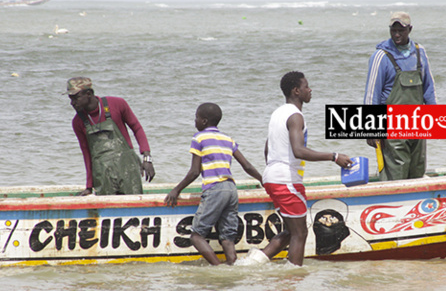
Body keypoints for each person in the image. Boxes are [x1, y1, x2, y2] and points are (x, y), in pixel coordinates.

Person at [237, 71, 353, 267]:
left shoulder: (277, 113)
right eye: (307, 86)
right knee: (300, 233)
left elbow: (268, 148)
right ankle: (293, 277)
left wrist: (274, 172)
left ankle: (252, 264)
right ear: (296, 91)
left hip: (272, 178)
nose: (310, 90)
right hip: (286, 181)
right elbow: (299, 151)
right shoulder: (296, 116)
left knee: (292, 231)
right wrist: (334, 156)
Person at [164, 102, 263, 266]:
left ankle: (218, 267)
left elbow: (195, 172)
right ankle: (232, 265)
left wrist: (176, 189)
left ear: (203, 121)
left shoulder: (199, 138)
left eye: (196, 118)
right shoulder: (227, 139)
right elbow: (247, 166)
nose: (194, 121)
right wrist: (262, 179)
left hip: (215, 189)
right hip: (231, 189)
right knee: (227, 237)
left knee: (196, 236)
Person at [363, 11, 437, 181]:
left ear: (409, 29)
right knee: (396, 170)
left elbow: (429, 87)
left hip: (418, 122)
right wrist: (370, 129)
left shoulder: (419, 52)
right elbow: (371, 93)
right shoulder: (380, 56)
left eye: (401, 30)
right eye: (393, 30)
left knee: (418, 168)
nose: (397, 34)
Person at [66, 77, 155, 196]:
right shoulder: (78, 122)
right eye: (70, 99)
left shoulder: (117, 104)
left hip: (127, 168)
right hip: (102, 174)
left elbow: (137, 128)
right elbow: (87, 153)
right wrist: (89, 186)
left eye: (76, 98)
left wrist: (147, 158)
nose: (72, 103)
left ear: (88, 94)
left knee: (132, 208)